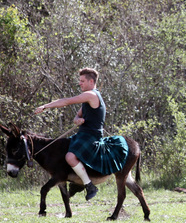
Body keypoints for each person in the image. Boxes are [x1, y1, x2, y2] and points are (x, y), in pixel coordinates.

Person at [34, 68, 129, 200]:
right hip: (82, 135)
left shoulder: (91, 95)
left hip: (91, 137)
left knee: (70, 157)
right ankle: (78, 183)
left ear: (91, 81)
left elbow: (66, 101)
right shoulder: (87, 100)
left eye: (82, 81)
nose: (80, 83)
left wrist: (45, 106)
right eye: (80, 81)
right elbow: (77, 116)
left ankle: (89, 185)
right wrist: (77, 120)